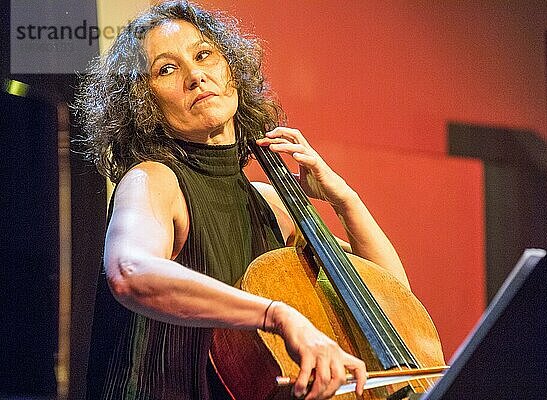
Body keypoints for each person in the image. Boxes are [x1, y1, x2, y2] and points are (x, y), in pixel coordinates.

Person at [74, 1, 410, 399]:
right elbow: (130, 271)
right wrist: (275, 314)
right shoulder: (153, 179)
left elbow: (390, 301)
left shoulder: (271, 204)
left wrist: (346, 201)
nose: (195, 76)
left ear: (231, 71)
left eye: (204, 55)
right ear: (143, 103)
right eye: (167, 69)